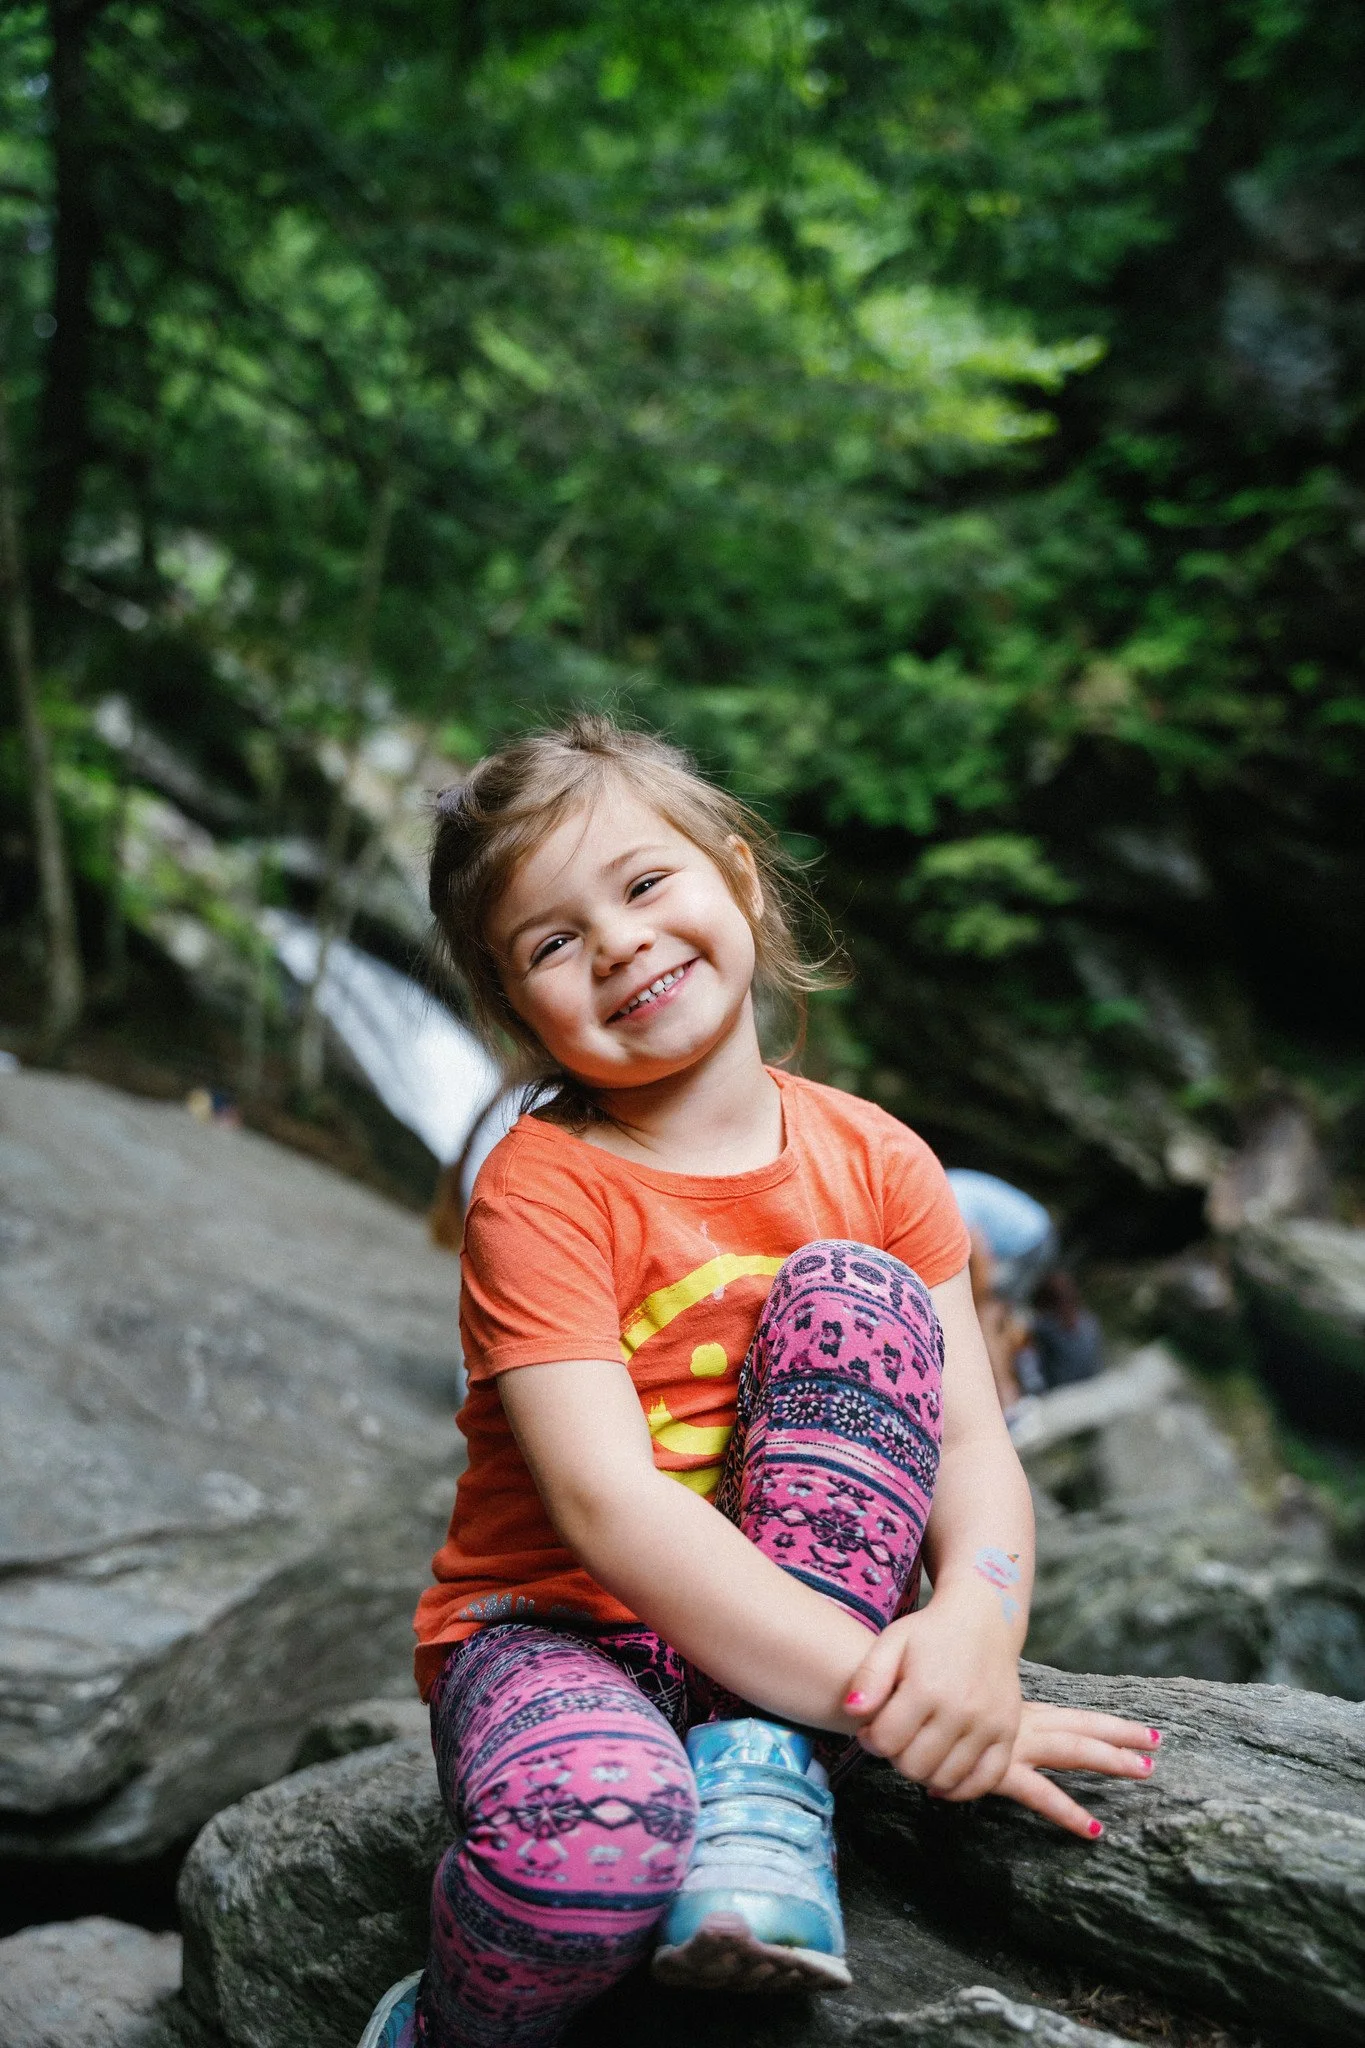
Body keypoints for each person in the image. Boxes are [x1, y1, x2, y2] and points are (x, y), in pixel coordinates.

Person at [361, 716, 1162, 2048]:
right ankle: (443, 2024)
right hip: (554, 1634)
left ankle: (760, 1775)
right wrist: (888, 1698)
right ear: (519, 1010)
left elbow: (973, 1447)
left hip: (796, 1648)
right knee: (583, 1856)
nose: (618, 942)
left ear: (736, 877)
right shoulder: (541, 1189)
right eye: (554, 942)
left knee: (859, 1293)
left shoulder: (886, 1162)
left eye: (643, 883)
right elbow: (607, 1506)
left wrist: (976, 1624)